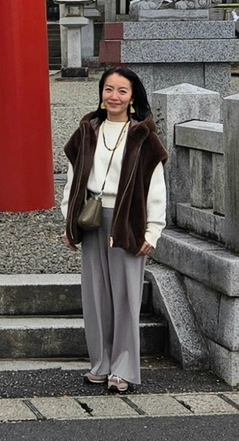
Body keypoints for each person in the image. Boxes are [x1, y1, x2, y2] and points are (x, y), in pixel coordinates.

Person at [60, 65, 167, 393]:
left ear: (133, 96)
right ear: (101, 94)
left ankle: (123, 368)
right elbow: (72, 179)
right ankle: (101, 364)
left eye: (122, 91)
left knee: (125, 297)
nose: (114, 97)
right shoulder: (87, 130)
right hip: (92, 220)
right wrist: (68, 219)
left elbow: (156, 186)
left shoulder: (143, 136)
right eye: (109, 90)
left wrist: (153, 230)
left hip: (128, 221)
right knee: (95, 297)